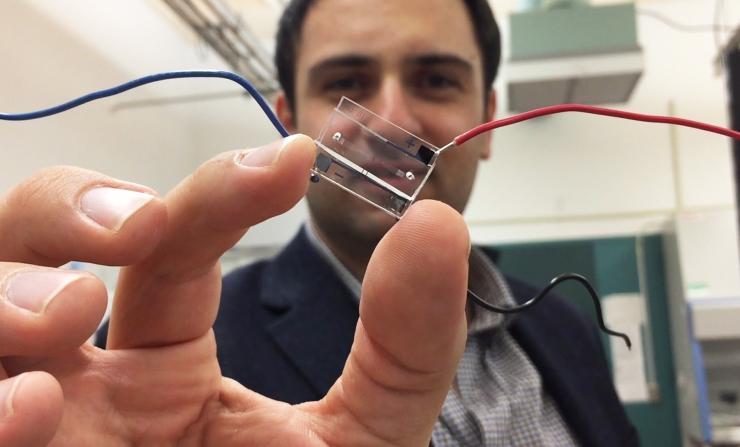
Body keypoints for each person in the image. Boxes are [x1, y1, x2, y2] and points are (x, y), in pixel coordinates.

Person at [0, 1, 636, 446]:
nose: (392, 123)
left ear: (490, 116)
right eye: (348, 82)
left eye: (436, 79)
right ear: (286, 118)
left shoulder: (563, 326)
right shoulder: (150, 361)